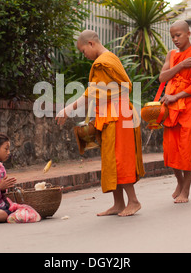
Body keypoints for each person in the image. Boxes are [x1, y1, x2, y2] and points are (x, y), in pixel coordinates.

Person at [55, 29, 144, 217]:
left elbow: (93, 93)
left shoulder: (103, 62)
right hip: (110, 114)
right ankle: (118, 203)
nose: (83, 55)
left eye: (82, 51)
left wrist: (68, 109)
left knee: (120, 158)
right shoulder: (109, 58)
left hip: (118, 115)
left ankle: (133, 201)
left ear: (91, 44)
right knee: (110, 159)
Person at [158, 20, 191, 203]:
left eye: (178, 35)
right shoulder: (172, 55)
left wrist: (177, 96)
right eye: (172, 36)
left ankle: (185, 191)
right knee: (170, 148)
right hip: (171, 107)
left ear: (188, 33)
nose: (175, 39)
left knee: (187, 148)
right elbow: (162, 77)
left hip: (190, 107)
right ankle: (179, 182)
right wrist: (180, 66)